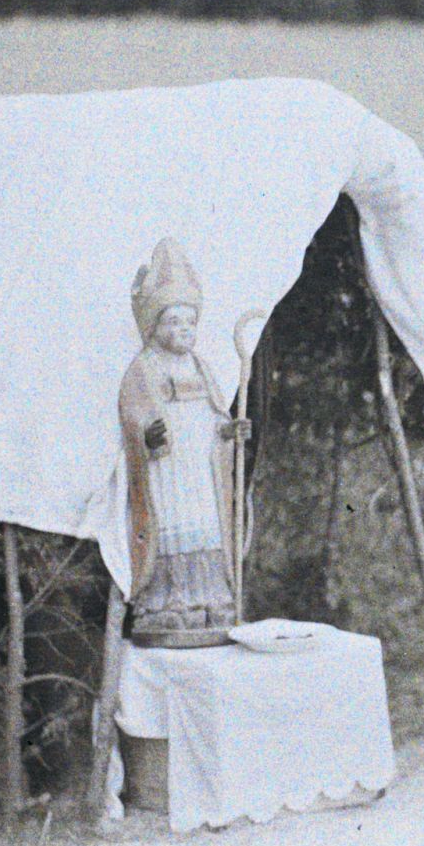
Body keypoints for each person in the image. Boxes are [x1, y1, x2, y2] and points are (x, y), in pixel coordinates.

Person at [119, 238, 249, 645]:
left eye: (189, 323)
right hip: (167, 473)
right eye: (173, 322)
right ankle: (167, 603)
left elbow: (215, 417)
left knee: (207, 527)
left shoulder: (201, 366)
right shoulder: (143, 368)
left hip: (199, 475)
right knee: (171, 528)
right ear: (155, 326)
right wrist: (147, 437)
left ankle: (211, 600)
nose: (183, 331)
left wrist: (230, 433)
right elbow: (133, 419)